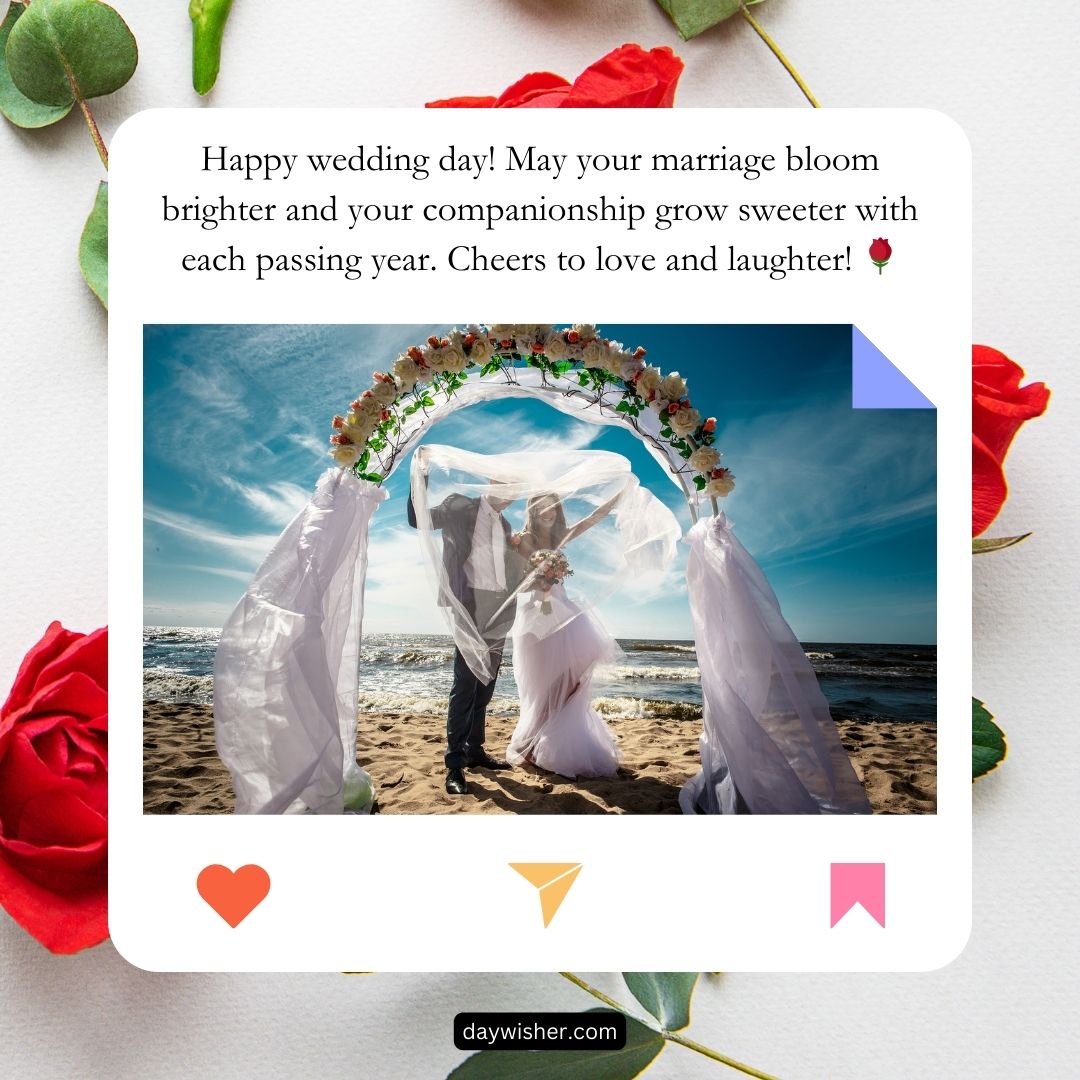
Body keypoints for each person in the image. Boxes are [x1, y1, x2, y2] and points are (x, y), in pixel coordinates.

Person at [407, 479, 525, 795]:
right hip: (469, 603)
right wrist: (418, 483)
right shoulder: (460, 505)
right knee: (465, 684)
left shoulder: (506, 523)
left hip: (499, 609)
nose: (510, 496)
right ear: (490, 481)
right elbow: (418, 520)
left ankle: (475, 750)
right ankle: (455, 765)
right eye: (506, 486)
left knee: (486, 684)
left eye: (515, 492)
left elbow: (504, 567)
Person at [505, 491, 625, 778]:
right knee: (543, 686)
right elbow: (515, 584)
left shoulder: (560, 537)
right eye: (542, 508)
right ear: (533, 511)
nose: (548, 513)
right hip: (537, 617)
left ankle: (548, 741)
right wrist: (539, 583)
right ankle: (532, 745)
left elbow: (590, 520)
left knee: (574, 676)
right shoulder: (523, 539)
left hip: (564, 613)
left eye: (553, 508)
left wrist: (613, 501)